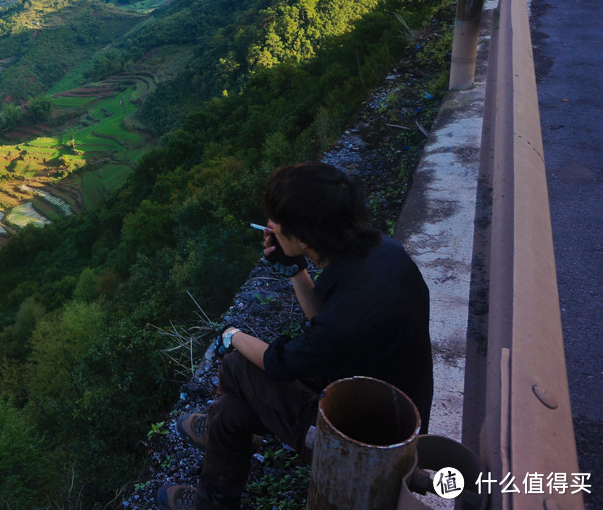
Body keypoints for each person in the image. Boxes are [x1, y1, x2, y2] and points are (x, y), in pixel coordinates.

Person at [157, 162, 433, 510]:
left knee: (239, 365)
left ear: (302, 239)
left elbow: (280, 363)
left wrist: (230, 334)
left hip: (360, 445)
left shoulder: (352, 312)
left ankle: (217, 470)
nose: (269, 225)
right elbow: (327, 322)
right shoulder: (383, 253)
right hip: (362, 385)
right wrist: (295, 270)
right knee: (230, 410)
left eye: (275, 221)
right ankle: (213, 482)